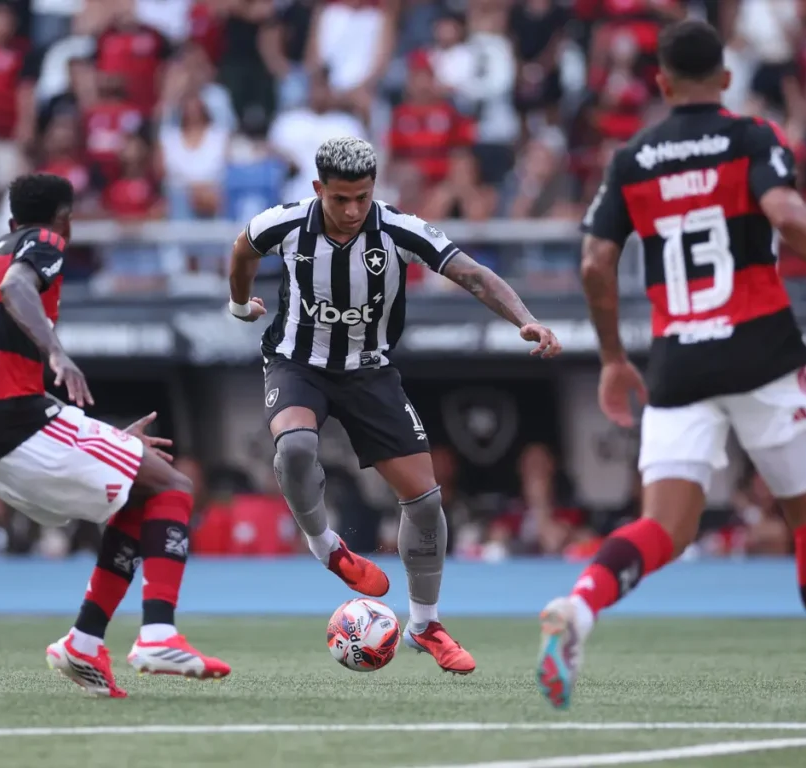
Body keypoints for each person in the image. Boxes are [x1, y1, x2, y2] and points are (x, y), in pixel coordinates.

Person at [535, 20, 806, 742]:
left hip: (679, 358)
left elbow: (592, 264)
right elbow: (788, 214)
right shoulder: (751, 136)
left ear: (661, 82)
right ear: (727, 78)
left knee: (664, 527)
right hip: (763, 351)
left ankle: (580, 605)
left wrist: (615, 357)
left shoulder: (633, 156)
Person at [228, 136, 562, 675]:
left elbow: (471, 273)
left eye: (362, 197)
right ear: (318, 191)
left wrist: (524, 317)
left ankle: (425, 624)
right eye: (340, 199)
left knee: (426, 503)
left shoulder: (398, 229)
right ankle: (327, 547)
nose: (353, 210)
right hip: (296, 363)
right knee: (295, 448)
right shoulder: (285, 224)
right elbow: (243, 248)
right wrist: (240, 304)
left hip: (370, 373)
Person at [0, 174, 230, 698]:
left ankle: (83, 641)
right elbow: (17, 289)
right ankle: (158, 634)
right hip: (11, 421)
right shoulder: (43, 242)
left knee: (136, 499)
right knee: (174, 487)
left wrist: (104, 439)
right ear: (65, 221)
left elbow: (2, 368)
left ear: (9, 222)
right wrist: (55, 349)